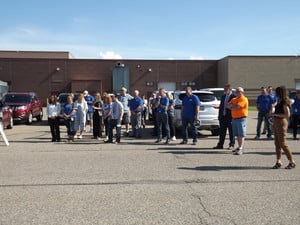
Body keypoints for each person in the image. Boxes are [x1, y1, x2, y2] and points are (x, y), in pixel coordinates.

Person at [270, 86, 296, 169]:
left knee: (283, 143)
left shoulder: (284, 102)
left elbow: (287, 115)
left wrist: (275, 114)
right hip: (276, 122)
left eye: (276, 92)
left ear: (280, 93)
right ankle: (278, 161)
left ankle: (292, 161)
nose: (275, 93)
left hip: (281, 122)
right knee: (277, 143)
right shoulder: (279, 101)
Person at [227, 87, 248, 155]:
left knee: (241, 134)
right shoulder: (234, 99)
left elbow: (238, 107)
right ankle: (239, 147)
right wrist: (233, 106)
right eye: (236, 91)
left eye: (239, 91)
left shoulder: (244, 99)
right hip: (234, 118)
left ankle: (241, 148)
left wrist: (232, 106)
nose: (237, 92)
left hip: (241, 118)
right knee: (237, 134)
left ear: (242, 92)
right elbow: (227, 105)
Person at [213, 84, 235, 150]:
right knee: (222, 132)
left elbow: (234, 107)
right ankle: (220, 145)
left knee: (231, 132)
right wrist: (219, 116)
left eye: (226, 89)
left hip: (230, 117)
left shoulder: (234, 97)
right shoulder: (223, 97)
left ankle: (231, 144)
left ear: (230, 89)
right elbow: (221, 107)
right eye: (224, 89)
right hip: (223, 117)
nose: (224, 90)